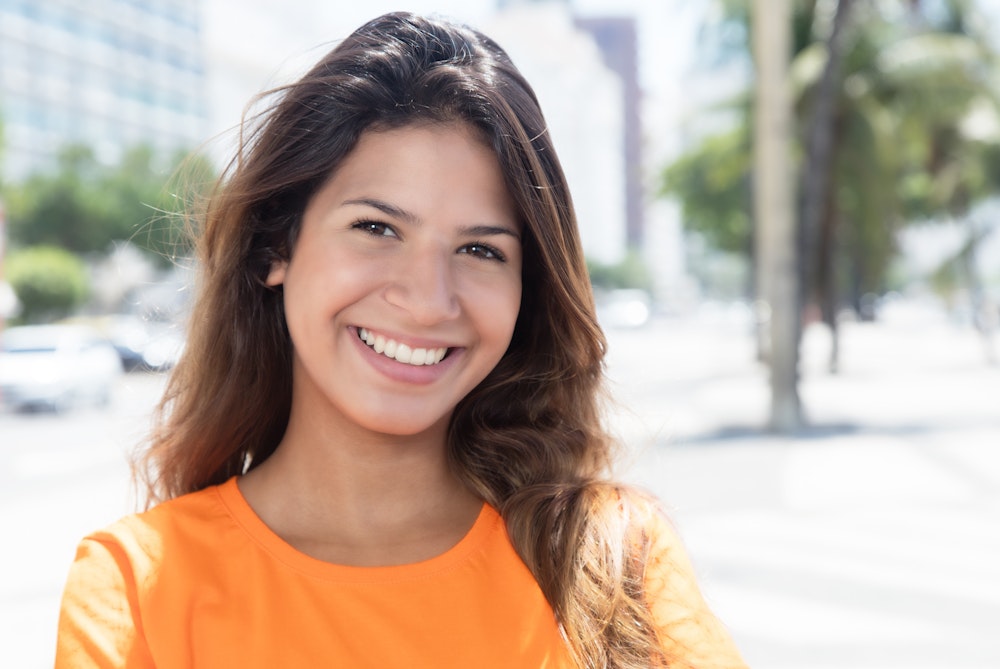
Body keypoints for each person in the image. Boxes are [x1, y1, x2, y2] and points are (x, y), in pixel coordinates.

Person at [55, 12, 748, 669]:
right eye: (377, 228)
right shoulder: (135, 589)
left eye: (479, 249)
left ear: (525, 292)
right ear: (277, 246)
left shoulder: (613, 556)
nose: (426, 299)